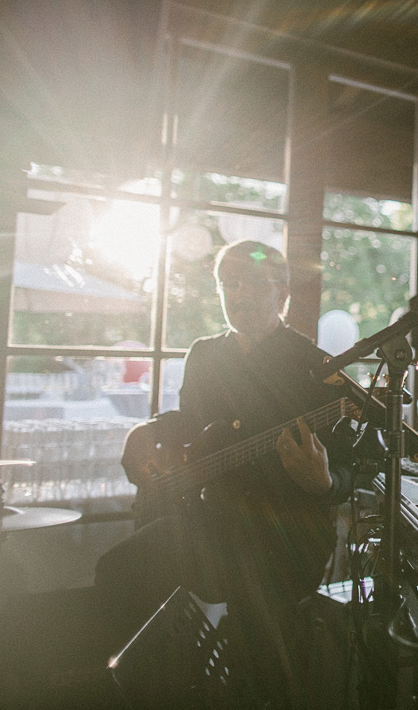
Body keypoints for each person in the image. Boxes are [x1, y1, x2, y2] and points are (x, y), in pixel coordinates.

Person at [95, 240, 356, 703]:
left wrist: (326, 482)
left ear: (283, 293)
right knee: (118, 568)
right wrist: (148, 430)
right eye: (228, 284)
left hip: (284, 535)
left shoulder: (317, 367)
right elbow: (192, 426)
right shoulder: (205, 354)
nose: (238, 294)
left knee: (253, 617)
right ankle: (148, 689)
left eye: (253, 283)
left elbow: (359, 463)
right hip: (209, 523)